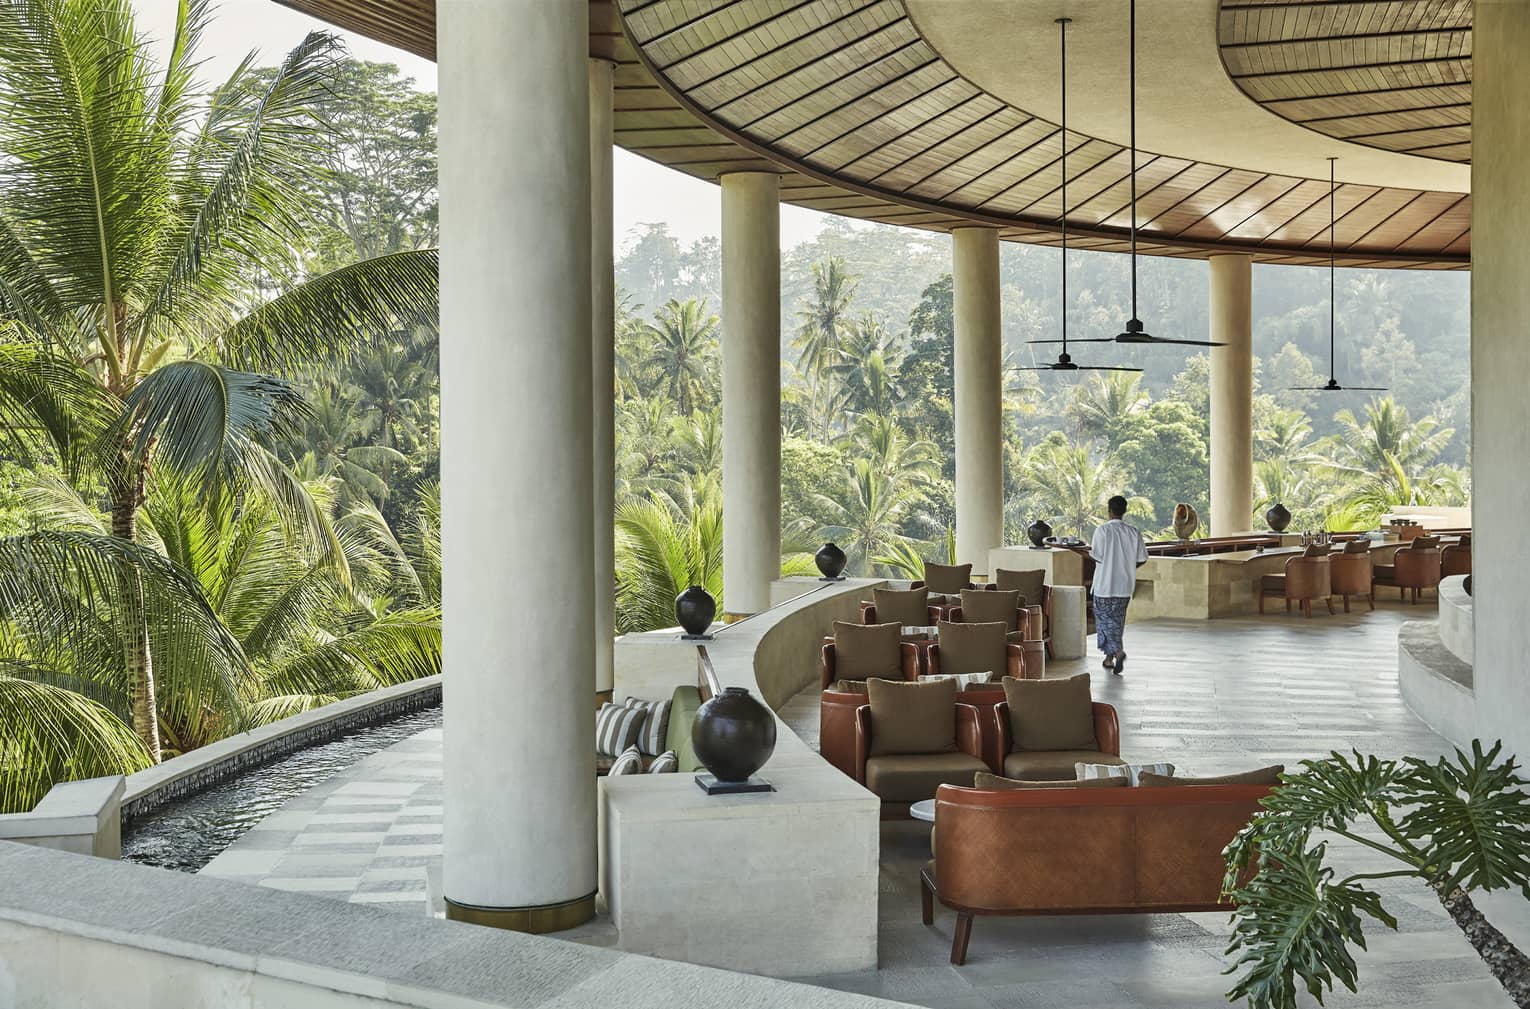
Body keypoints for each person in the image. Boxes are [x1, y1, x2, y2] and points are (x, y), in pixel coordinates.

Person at [1089, 495, 1148, 674]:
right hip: (1124, 586)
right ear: (1124, 511)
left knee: (1105, 622)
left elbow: (1096, 556)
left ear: (1109, 510)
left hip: (1104, 585)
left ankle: (1118, 652)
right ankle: (1108, 659)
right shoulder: (1133, 531)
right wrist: (1128, 567)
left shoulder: (1102, 531)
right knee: (1117, 623)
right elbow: (1142, 558)